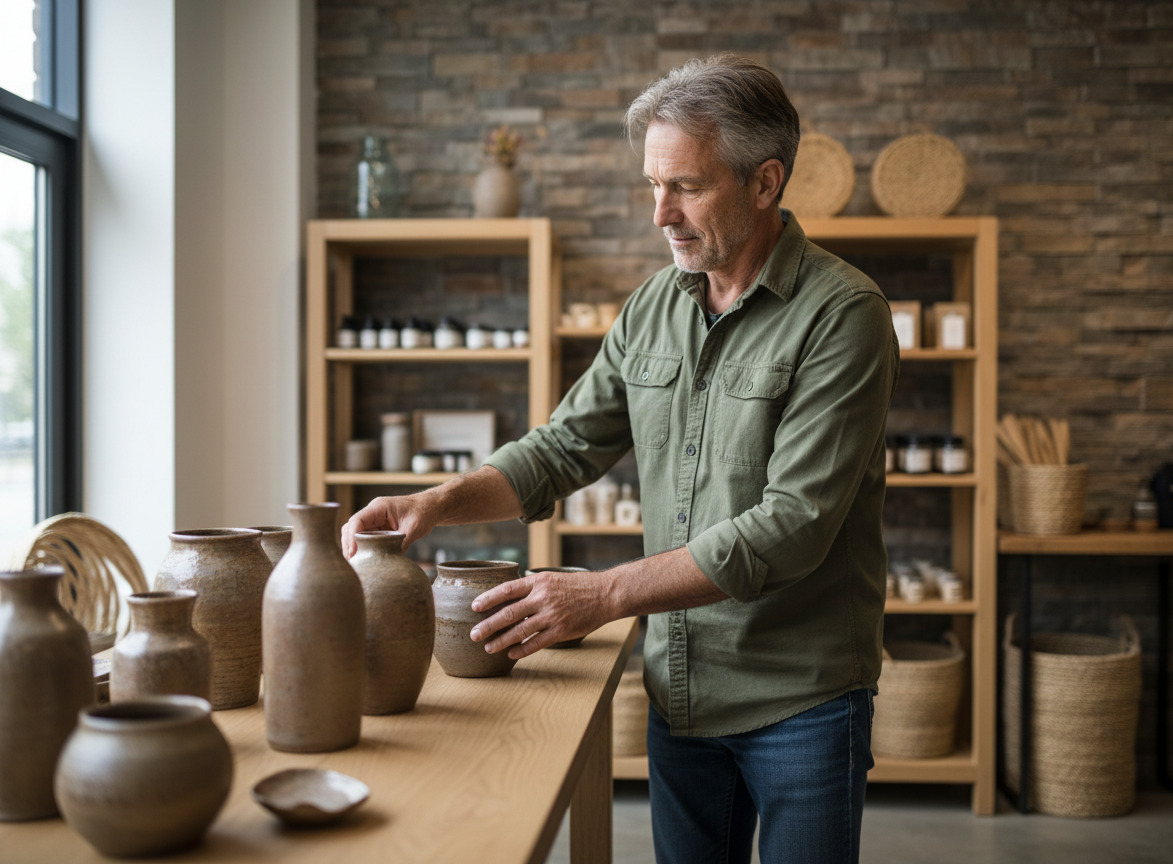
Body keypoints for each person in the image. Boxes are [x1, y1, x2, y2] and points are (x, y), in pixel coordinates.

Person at [342, 53, 899, 864]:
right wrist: (434, 502)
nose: (660, 214)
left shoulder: (844, 315)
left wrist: (601, 595)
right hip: (681, 687)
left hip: (803, 700)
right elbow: (565, 446)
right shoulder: (652, 306)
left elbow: (792, 527)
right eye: (652, 185)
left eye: (686, 186)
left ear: (766, 182)